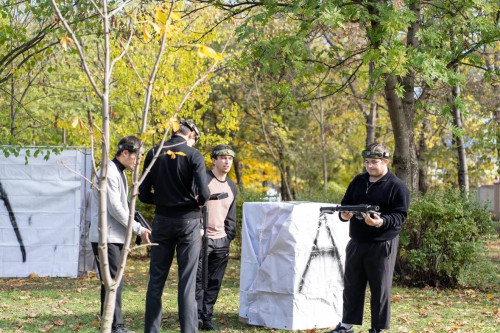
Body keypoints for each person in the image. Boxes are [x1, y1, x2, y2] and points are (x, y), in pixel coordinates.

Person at [329, 143, 410, 333]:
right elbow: (345, 205)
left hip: (382, 244)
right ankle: (346, 326)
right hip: (356, 241)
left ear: (385, 162)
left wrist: (381, 222)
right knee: (351, 286)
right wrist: (344, 215)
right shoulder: (358, 181)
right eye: (366, 162)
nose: (369, 166)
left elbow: (400, 216)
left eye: (374, 162)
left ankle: (378, 328)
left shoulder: (397, 187)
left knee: (379, 289)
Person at [139, 120, 210, 333]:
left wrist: (163, 200)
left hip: (162, 221)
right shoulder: (193, 155)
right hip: (188, 223)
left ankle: (151, 331)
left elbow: (143, 194)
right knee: (186, 283)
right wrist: (192, 201)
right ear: (192, 136)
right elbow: (204, 195)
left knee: (156, 280)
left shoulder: (153, 153)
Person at [90, 135, 152, 333]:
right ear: (125, 152)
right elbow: (116, 209)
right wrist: (139, 229)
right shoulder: (108, 171)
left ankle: (111, 326)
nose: (139, 160)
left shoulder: (119, 172)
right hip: (107, 237)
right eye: (138, 155)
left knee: (113, 284)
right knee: (112, 284)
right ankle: (115, 328)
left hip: (113, 237)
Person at [196, 145, 237, 331]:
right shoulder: (203, 179)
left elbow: (231, 216)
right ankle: (195, 317)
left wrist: (228, 237)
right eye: (223, 158)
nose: (227, 161)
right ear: (213, 160)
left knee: (214, 281)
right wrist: (198, 229)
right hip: (201, 238)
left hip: (221, 240)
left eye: (230, 158)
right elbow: (192, 207)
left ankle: (207, 318)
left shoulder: (231, 186)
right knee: (198, 280)